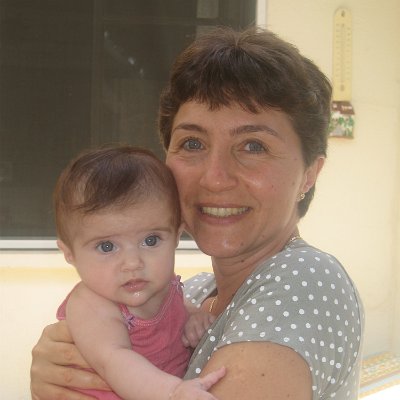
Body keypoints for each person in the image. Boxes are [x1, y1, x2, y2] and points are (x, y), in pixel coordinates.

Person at [30, 26, 364, 400]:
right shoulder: (188, 292)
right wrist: (60, 372)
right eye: (192, 143)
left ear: (309, 174)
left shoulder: (305, 280)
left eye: (253, 146)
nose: (215, 178)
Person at [49, 145, 225, 400]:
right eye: (106, 246)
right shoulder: (91, 305)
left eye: (151, 240)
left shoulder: (159, 283)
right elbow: (114, 359)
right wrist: (173, 392)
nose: (133, 263)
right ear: (70, 254)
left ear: (176, 236)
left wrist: (194, 316)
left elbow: (175, 303)